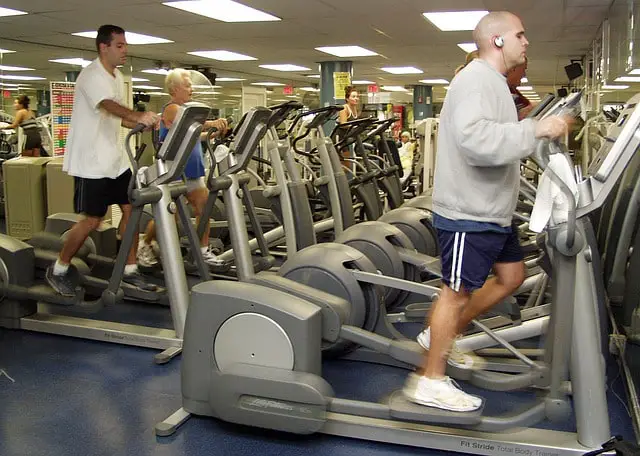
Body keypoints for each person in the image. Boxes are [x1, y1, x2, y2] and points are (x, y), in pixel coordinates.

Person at [402, 11, 572, 412]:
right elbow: (477, 141)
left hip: (493, 210)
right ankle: (429, 379)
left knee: (511, 276)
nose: (526, 42)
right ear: (497, 40)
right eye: (520, 34)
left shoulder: (493, 82)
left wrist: (531, 131)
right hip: (469, 211)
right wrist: (537, 129)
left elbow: (497, 138)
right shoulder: (476, 80)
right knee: (456, 291)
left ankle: (442, 336)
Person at [45, 24, 160, 297]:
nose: (125, 51)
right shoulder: (90, 76)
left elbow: (114, 114)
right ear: (103, 47)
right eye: (119, 46)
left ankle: (130, 270)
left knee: (132, 210)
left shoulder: (117, 76)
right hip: (91, 162)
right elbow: (107, 105)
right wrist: (137, 116)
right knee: (92, 221)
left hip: (115, 160)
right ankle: (59, 268)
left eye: (125, 46)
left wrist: (136, 123)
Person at [137, 68, 228, 268]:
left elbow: (193, 134)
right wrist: (212, 122)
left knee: (203, 210)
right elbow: (190, 123)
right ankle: (145, 243)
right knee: (170, 215)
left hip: (193, 170)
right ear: (174, 89)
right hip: (174, 172)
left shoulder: (188, 113)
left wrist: (211, 134)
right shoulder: (172, 109)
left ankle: (203, 251)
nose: (191, 88)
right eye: (187, 85)